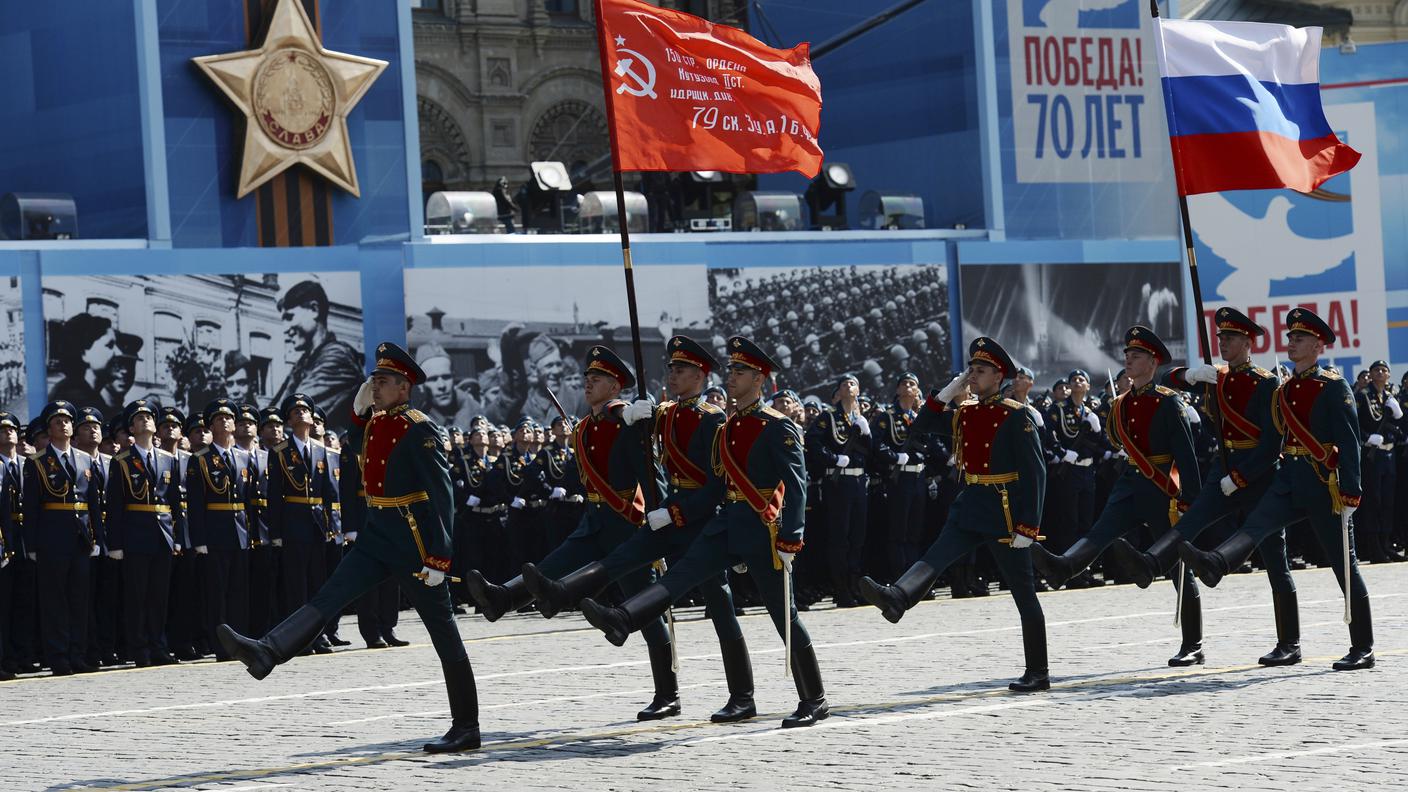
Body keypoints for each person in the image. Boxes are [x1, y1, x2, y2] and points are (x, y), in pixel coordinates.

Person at [218, 342, 482, 753]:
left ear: (404, 387)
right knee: (330, 596)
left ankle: (467, 725)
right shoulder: (377, 424)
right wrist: (359, 414)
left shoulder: (421, 427)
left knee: (443, 631)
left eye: (383, 382)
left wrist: (439, 556)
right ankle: (268, 651)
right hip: (378, 532)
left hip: (412, 540)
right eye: (373, 380)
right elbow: (356, 444)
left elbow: (442, 496)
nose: (374, 387)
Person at [579, 336, 829, 729]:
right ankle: (623, 618)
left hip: (763, 528)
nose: (732, 376)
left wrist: (791, 537)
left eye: (740, 371)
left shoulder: (775, 427)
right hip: (727, 520)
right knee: (681, 577)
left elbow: (796, 486)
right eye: (731, 370)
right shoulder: (728, 424)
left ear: (760, 379)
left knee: (784, 614)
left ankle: (814, 698)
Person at [523, 335, 756, 723]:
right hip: (667, 515)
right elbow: (621, 418)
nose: (672, 375)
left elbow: (717, 485)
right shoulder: (664, 413)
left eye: (680, 370)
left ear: (699, 375)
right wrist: (629, 414)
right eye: (670, 368)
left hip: (699, 521)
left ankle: (742, 696)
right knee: (622, 558)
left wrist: (676, 511)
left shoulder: (713, 419)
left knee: (720, 607)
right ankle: (565, 594)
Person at [462, 346, 679, 721]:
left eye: (596, 380)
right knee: (545, 570)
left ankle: (668, 693)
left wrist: (659, 516)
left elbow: (651, 475)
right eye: (586, 379)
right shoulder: (588, 426)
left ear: (615, 385)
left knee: (645, 611)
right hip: (592, 519)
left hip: (625, 523)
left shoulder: (624, 422)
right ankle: (502, 599)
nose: (587, 384)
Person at [1179, 308, 1375, 671]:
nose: (1292, 343)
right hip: (1289, 477)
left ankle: (1362, 646)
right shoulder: (1284, 388)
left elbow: (1350, 443)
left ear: (1318, 346)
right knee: (1256, 526)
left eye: (1299, 339)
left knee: (1342, 565)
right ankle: (1218, 565)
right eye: (1290, 337)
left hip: (1322, 484)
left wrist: (1351, 493)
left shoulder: (1333, 387)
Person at [1103, 308, 1299, 666]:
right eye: (1220, 337)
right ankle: (1150, 562)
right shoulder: (1217, 377)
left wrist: (1238, 479)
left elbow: (1273, 443)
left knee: (1275, 560)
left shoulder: (1266, 382)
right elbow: (1169, 377)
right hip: (1220, 471)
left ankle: (1289, 642)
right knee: (1187, 526)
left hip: (1257, 478)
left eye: (1230, 338)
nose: (1223, 343)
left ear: (1247, 342)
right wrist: (1192, 373)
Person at [859, 337, 1049, 691]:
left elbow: (1036, 473)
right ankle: (898, 596)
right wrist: (953, 387)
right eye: (971, 370)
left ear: (998, 376)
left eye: (980, 371)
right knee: (935, 557)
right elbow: (924, 423)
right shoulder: (968, 412)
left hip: (1004, 511)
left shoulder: (1016, 415)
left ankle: (1038, 670)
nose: (973, 376)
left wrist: (1028, 525)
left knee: (1023, 592)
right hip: (972, 502)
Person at [1030, 326, 1206, 667]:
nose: (1128, 359)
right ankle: (1063, 567)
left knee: (1177, 568)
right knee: (1099, 532)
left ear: (1153, 362)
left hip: (1162, 488)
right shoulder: (1122, 404)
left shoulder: (1169, 403)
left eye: (1136, 355)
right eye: (1127, 354)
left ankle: (1193, 643)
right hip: (1130, 482)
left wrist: (1191, 503)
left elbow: (1187, 457)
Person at [22, 401, 104, 676]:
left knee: (79, 600)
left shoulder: (84, 459)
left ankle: (77, 654)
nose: (63, 425)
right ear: (49, 429)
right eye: (57, 422)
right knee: (54, 601)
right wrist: (31, 545)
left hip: (81, 538)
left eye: (67, 421)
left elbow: (93, 503)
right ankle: (58, 656)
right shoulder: (37, 462)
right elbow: (31, 507)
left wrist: (97, 539)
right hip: (51, 538)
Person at [104, 399, 183, 667]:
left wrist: (179, 538)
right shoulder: (122, 461)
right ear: (131, 428)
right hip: (135, 535)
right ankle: (139, 649)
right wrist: (115, 543)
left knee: (159, 597)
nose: (145, 421)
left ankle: (158, 646)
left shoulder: (168, 460)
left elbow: (175, 505)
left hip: (163, 535)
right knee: (137, 597)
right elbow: (114, 505)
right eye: (139, 418)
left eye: (149, 417)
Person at [267, 393, 337, 654]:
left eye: (305, 410)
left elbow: (330, 492)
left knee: (318, 584)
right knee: (296, 587)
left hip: (318, 525)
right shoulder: (280, 452)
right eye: (295, 411)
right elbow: (275, 495)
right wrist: (276, 533)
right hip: (293, 524)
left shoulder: (323, 450)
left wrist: (332, 526)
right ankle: (299, 639)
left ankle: (318, 635)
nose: (301, 414)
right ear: (288, 420)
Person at [187, 399, 255, 660]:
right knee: (216, 593)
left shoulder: (242, 456)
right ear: (211, 426)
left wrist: (250, 532)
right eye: (218, 419)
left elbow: (248, 499)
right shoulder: (200, 459)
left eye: (228, 418)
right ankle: (221, 646)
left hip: (239, 531)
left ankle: (240, 642)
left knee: (238, 591)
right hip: (214, 531)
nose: (225, 422)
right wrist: (199, 538)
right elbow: (195, 503)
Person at [806, 374, 872, 607]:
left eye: (853, 383)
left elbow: (869, 454)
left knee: (857, 537)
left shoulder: (860, 418)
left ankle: (855, 586)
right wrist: (833, 459)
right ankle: (842, 589)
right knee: (839, 537)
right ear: (839, 391)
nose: (849, 386)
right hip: (839, 482)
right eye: (845, 384)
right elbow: (812, 442)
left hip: (857, 483)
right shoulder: (829, 416)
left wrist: (867, 434)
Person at [270, 280, 362, 429]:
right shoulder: (306, 362)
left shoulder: (336, 358)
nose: (285, 329)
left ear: (314, 309)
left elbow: (292, 418)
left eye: (290, 317)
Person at [1353, 360, 1401, 562]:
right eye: (1376, 370)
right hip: (1372, 456)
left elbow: (1398, 423)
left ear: (1389, 375)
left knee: (1388, 503)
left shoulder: (1389, 397)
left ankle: (1386, 544)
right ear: (1370, 374)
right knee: (1374, 502)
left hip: (1389, 456)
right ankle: (1374, 549)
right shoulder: (1362, 396)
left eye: (1384, 370)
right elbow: (1352, 424)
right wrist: (1366, 439)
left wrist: (1398, 413)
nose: (1381, 373)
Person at [48, 315, 116, 408]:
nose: (117, 354)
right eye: (109, 345)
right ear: (84, 354)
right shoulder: (74, 400)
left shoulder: (89, 393)